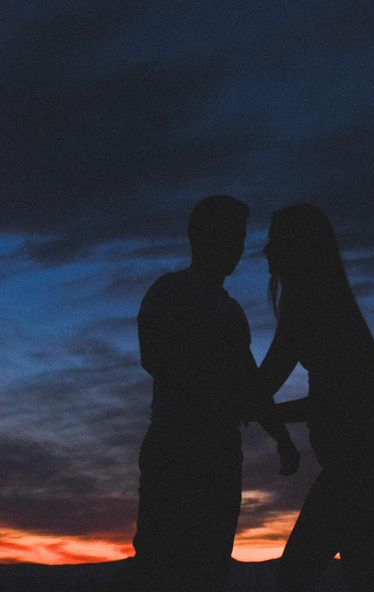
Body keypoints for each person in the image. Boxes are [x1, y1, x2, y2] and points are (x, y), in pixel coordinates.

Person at [129, 195, 298, 592]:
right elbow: (156, 360)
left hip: (218, 451)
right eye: (227, 237)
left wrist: (282, 436)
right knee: (158, 561)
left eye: (238, 238)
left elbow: (250, 382)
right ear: (198, 238)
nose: (237, 248)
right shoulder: (168, 293)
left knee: (207, 565)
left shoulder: (230, 311)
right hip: (177, 446)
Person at [257, 204, 374, 592]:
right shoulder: (326, 305)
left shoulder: (309, 307)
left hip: (356, 465)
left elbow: (269, 386)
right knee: (365, 577)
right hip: (363, 461)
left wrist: (251, 408)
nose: (265, 251)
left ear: (295, 247)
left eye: (274, 242)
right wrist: (260, 408)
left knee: (295, 574)